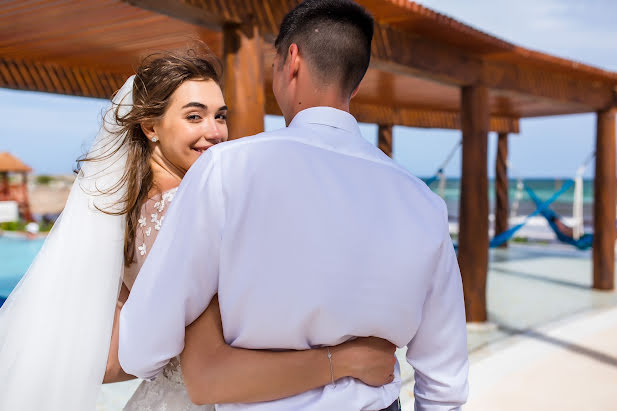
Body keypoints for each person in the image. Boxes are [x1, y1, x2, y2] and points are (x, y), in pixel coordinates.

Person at [0, 48, 397, 411]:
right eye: (194, 116)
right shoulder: (182, 213)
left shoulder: (127, 211)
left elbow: (108, 361)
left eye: (220, 115)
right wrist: (344, 361)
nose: (215, 132)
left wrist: (166, 354)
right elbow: (211, 370)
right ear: (151, 128)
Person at [119, 1, 469, 410]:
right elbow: (445, 380)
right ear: (355, 84)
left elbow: (143, 346)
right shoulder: (423, 203)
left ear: (293, 61)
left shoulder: (228, 169)